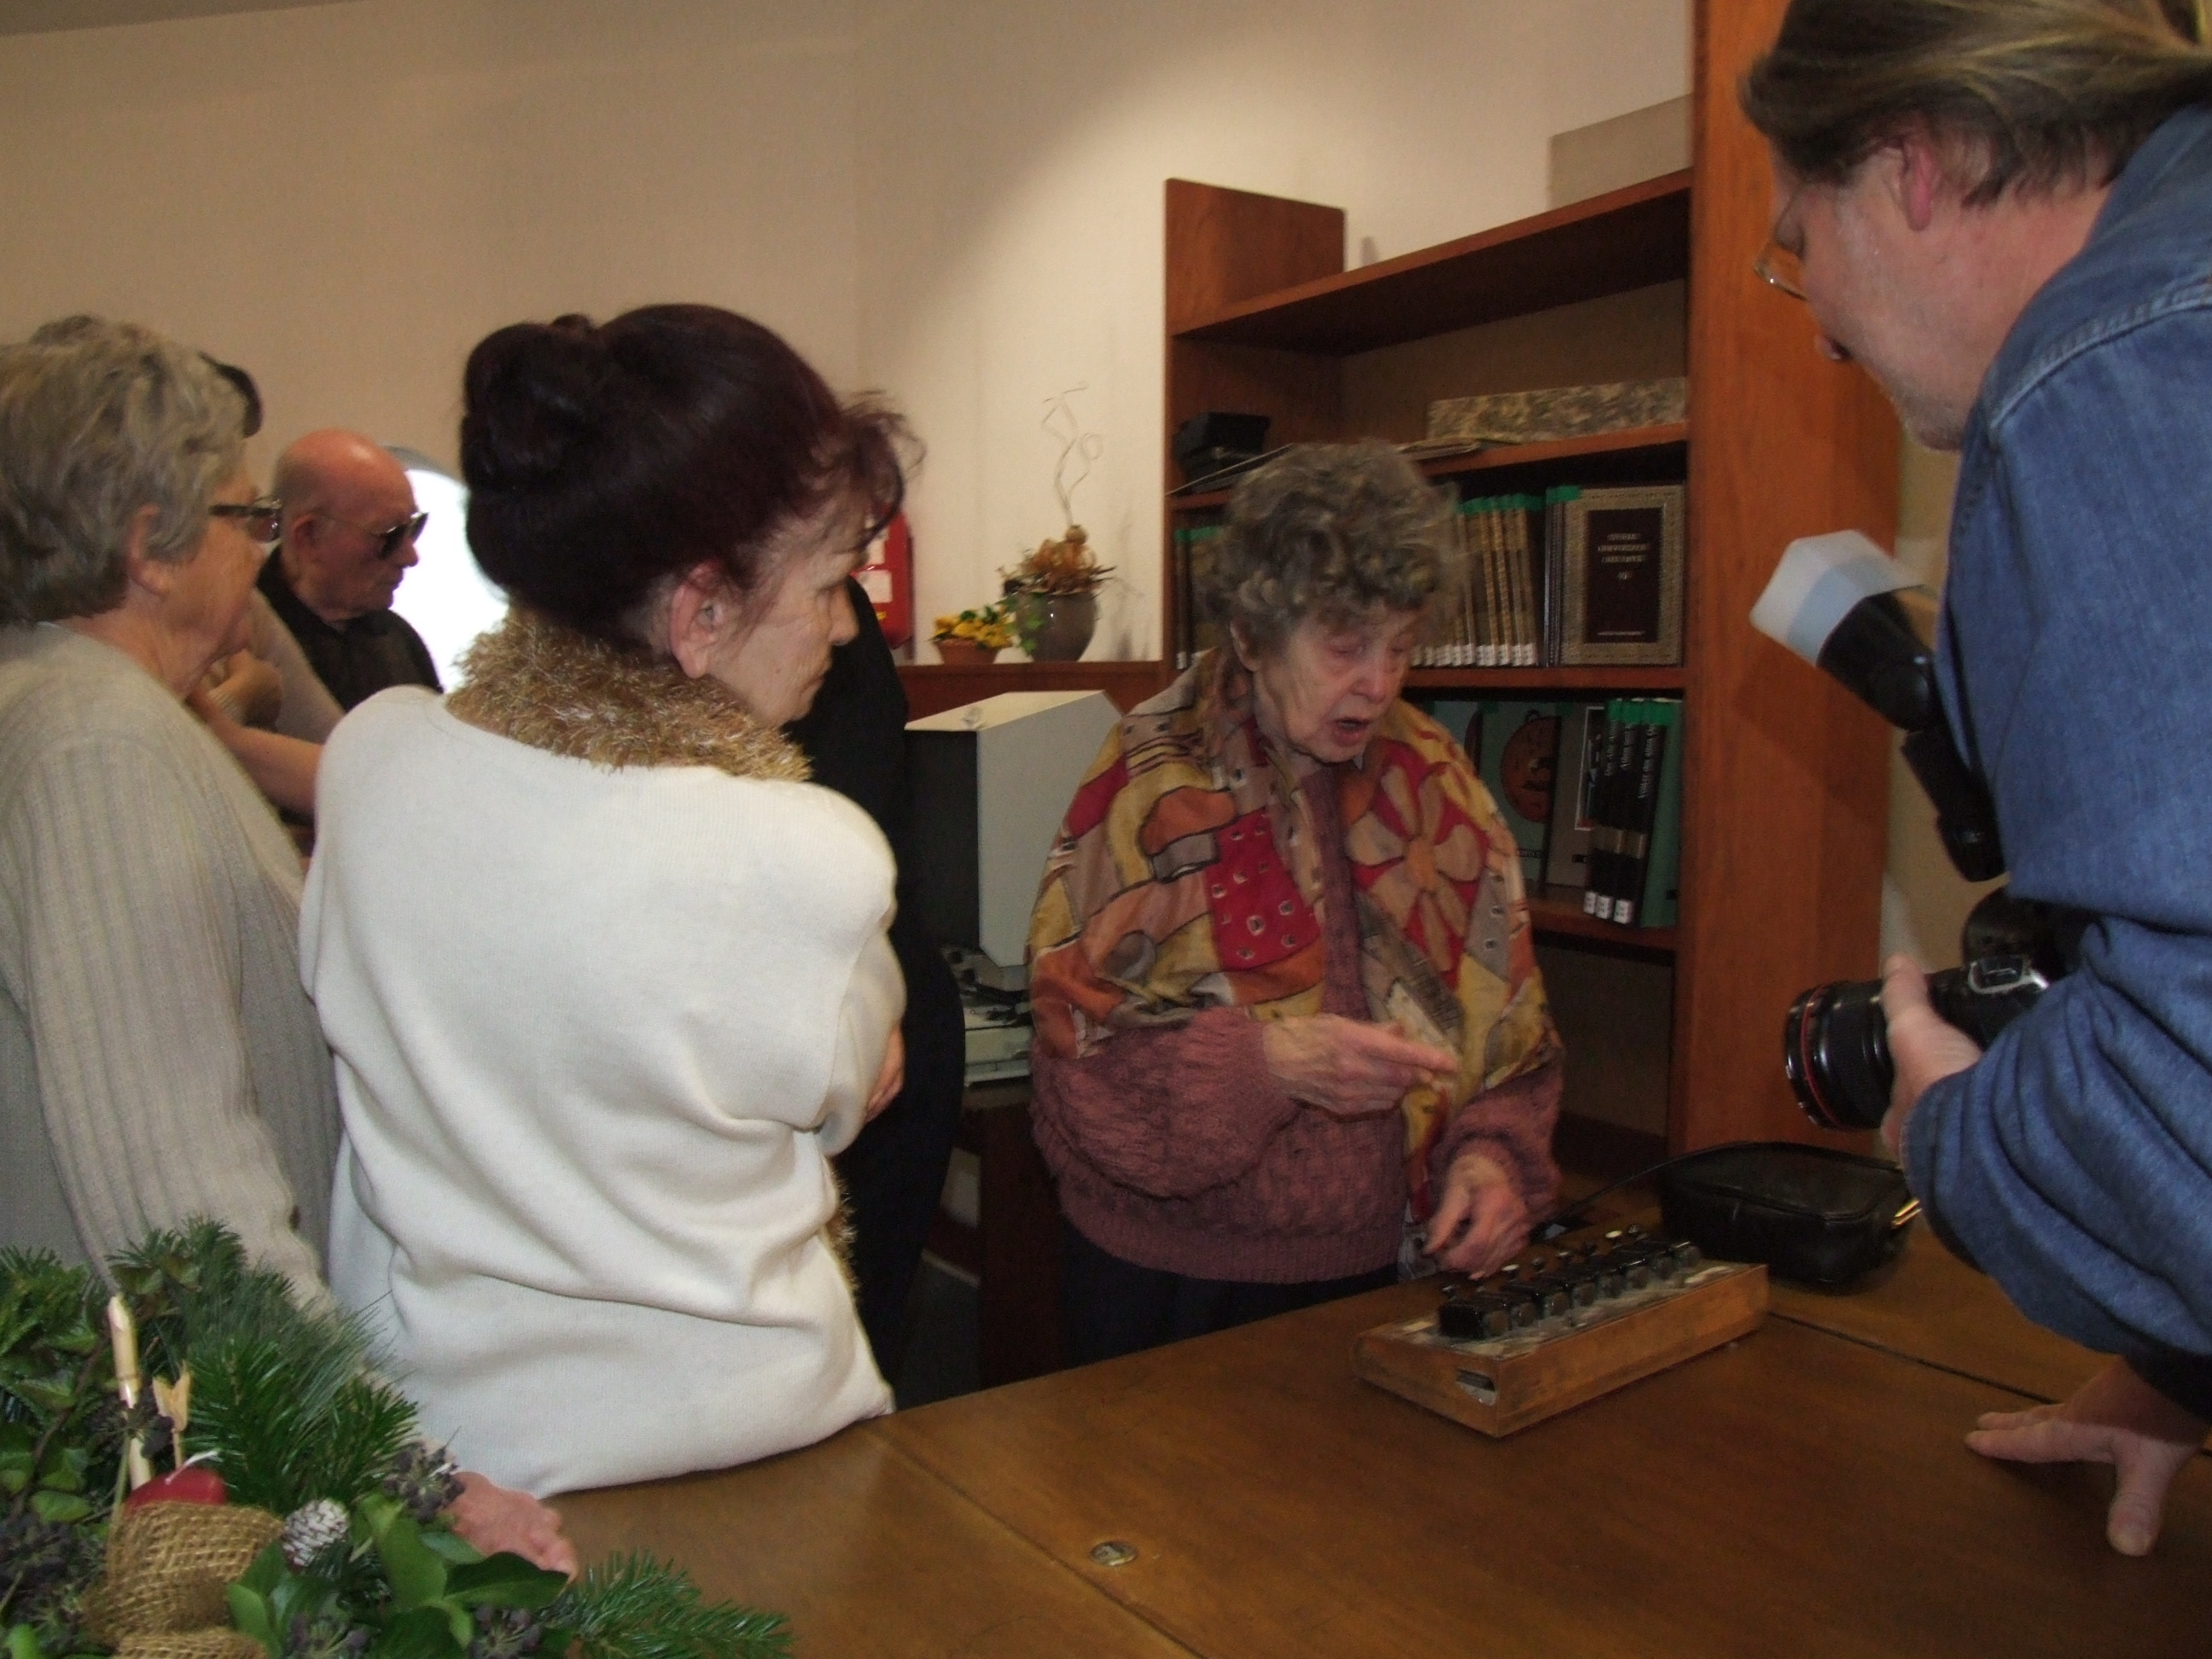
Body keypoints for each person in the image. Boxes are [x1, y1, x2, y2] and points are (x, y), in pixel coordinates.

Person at [1741, 0, 2212, 1554]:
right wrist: (2178, 1367)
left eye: (1797, 239)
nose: (1816, 326)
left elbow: (2192, 1101)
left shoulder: (2106, 376)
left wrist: (1952, 1132)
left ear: (1913, 163)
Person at [0, 317, 571, 1572]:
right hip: (135, 1461)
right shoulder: (98, 748)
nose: (259, 552)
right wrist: (394, 1475)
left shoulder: (71, 704)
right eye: (245, 518)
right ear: (149, 544)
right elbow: (178, 1200)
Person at [313, 305, 911, 1495]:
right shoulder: (799, 853)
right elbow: (855, 1086)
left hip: (447, 1468)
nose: (846, 629)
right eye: (833, 584)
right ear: (701, 611)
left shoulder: (372, 759)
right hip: (748, 1453)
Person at [1027, 442, 1563, 1365]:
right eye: (1346, 646)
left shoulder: (1437, 780)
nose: (1379, 683)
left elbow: (1510, 1030)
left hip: (1386, 1277)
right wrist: (1265, 1066)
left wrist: (1490, 1157)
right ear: (1252, 634)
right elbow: (1077, 1054)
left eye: (1401, 646)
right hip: (1173, 1289)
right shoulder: (1152, 782)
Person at [786, 576, 967, 1378]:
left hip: (864, 1006)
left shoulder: (817, 623)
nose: (838, 624)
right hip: (870, 994)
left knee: (850, 1336)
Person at [260, 428, 441, 710]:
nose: (410, 557)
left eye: (413, 528)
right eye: (390, 535)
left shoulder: (399, 639)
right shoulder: (247, 642)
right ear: (309, 536)